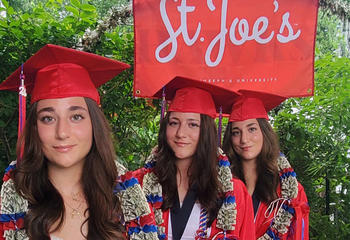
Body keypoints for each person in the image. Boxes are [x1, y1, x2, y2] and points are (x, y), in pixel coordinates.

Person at [0, 44, 157, 240]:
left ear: (94, 123)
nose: (62, 132)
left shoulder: (124, 196)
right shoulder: (14, 202)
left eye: (76, 116)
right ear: (34, 127)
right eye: (48, 118)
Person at [133, 77, 255, 240]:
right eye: (174, 123)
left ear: (206, 131)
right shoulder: (139, 184)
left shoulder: (233, 192)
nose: (180, 133)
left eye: (192, 124)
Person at [222, 90, 310, 240]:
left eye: (252, 129)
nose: (244, 139)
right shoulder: (220, 185)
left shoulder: (289, 193)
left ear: (264, 132)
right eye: (236, 132)